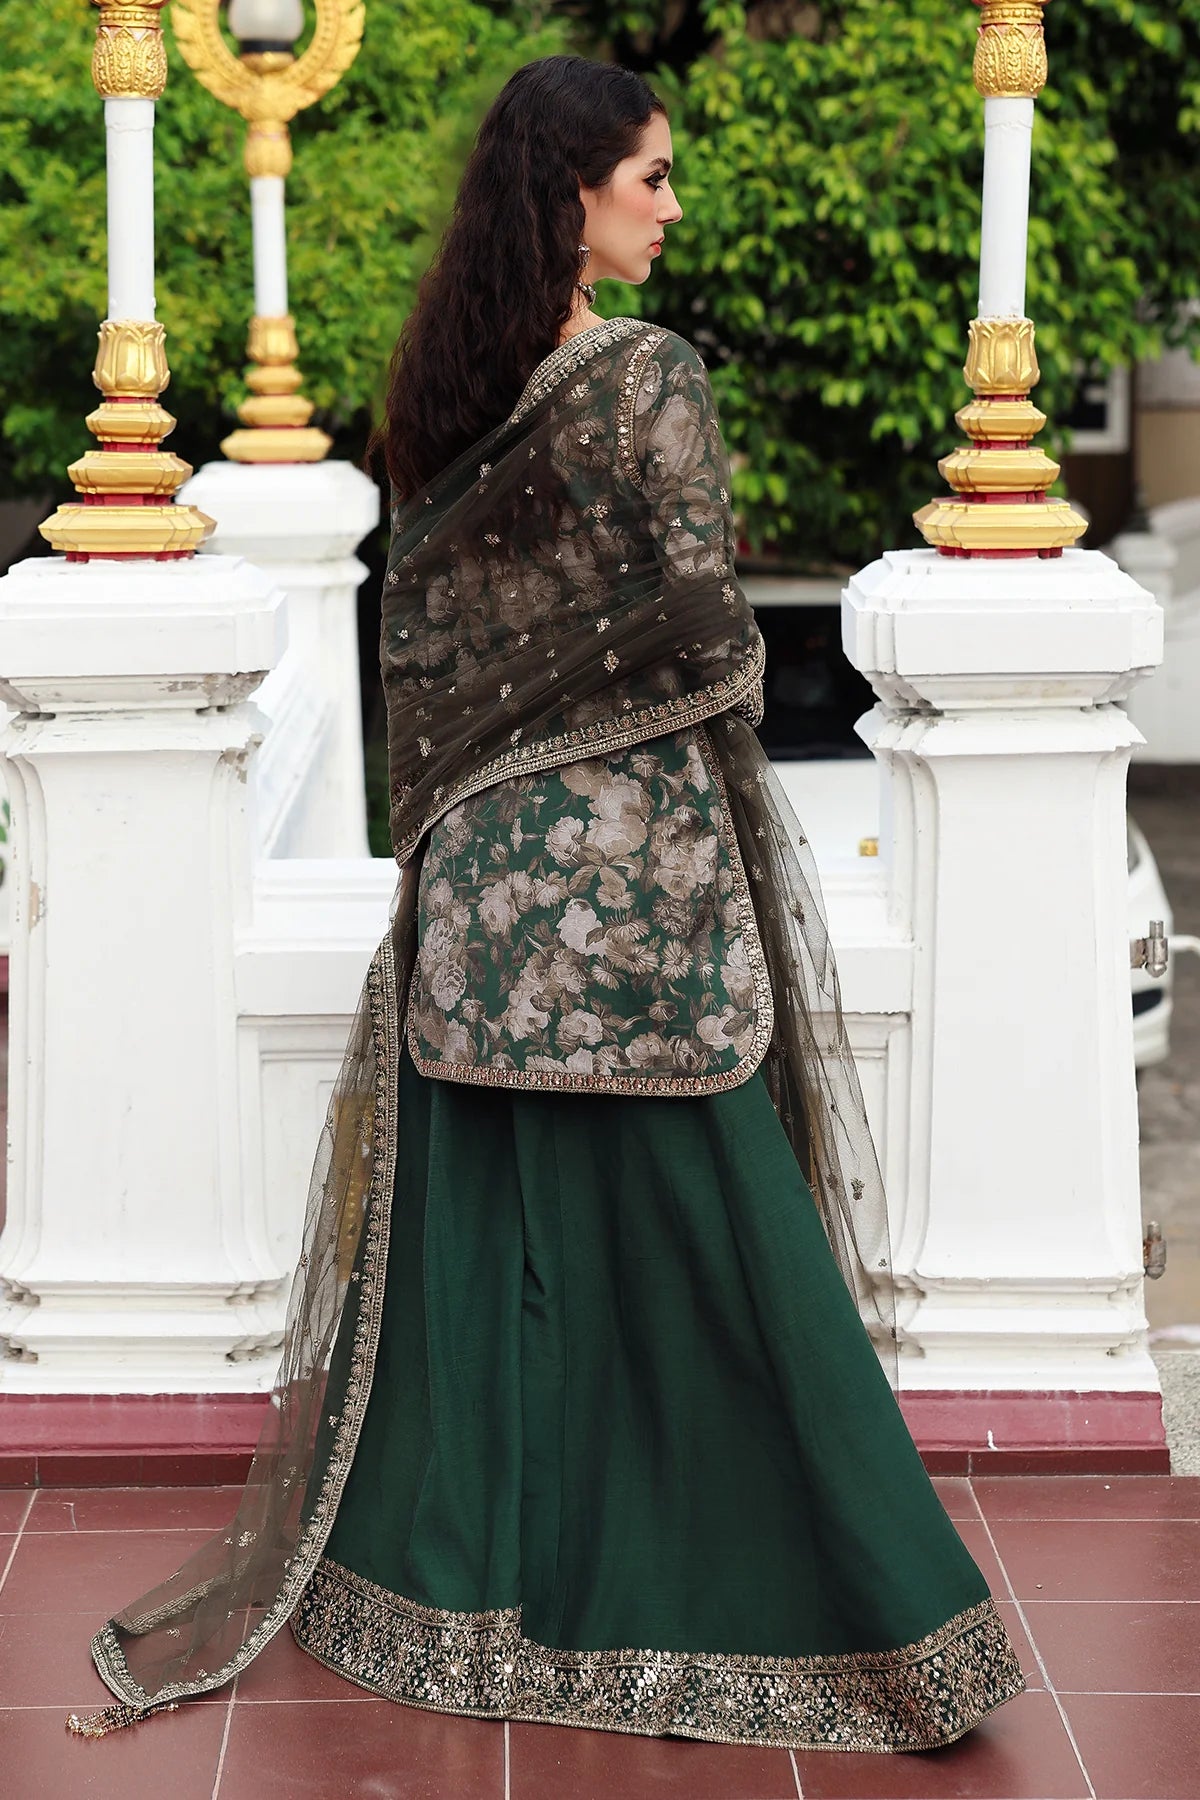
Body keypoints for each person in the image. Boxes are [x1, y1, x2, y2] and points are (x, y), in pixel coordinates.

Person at [70, 53, 1026, 1752]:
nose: (674, 206)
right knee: (725, 1258)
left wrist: (478, 803)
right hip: (639, 890)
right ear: (574, 194)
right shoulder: (645, 375)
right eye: (652, 177)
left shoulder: (444, 391)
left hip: (482, 893)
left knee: (494, 1259)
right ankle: (849, 1614)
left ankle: (453, 1605)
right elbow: (705, 624)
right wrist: (715, 686)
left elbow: (426, 653)